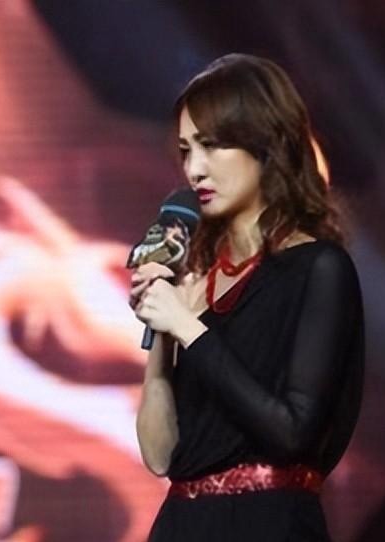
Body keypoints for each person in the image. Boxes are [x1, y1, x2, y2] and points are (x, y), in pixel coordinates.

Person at [132, 54, 364, 541]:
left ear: (265, 142)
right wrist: (164, 332)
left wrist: (190, 328)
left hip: (270, 524)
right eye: (186, 150)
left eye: (212, 146)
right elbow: (160, 457)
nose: (194, 169)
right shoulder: (195, 283)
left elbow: (292, 432)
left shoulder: (319, 268)